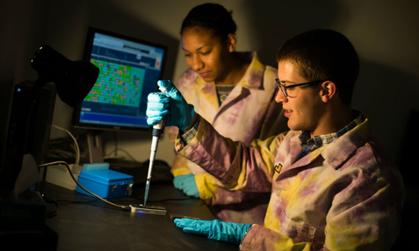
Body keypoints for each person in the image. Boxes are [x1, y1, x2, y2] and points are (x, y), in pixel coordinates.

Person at [146, 29, 404, 250]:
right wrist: (188, 123)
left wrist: (253, 238)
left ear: (326, 90)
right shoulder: (294, 141)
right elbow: (244, 165)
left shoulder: (368, 177)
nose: (279, 98)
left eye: (288, 88)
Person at [148, 3, 288, 224]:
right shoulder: (187, 82)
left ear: (230, 42)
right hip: (193, 209)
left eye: (204, 52)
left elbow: (275, 168)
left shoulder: (272, 86)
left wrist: (206, 187)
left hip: (246, 220)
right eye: (188, 54)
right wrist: (181, 172)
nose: (196, 64)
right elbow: (179, 144)